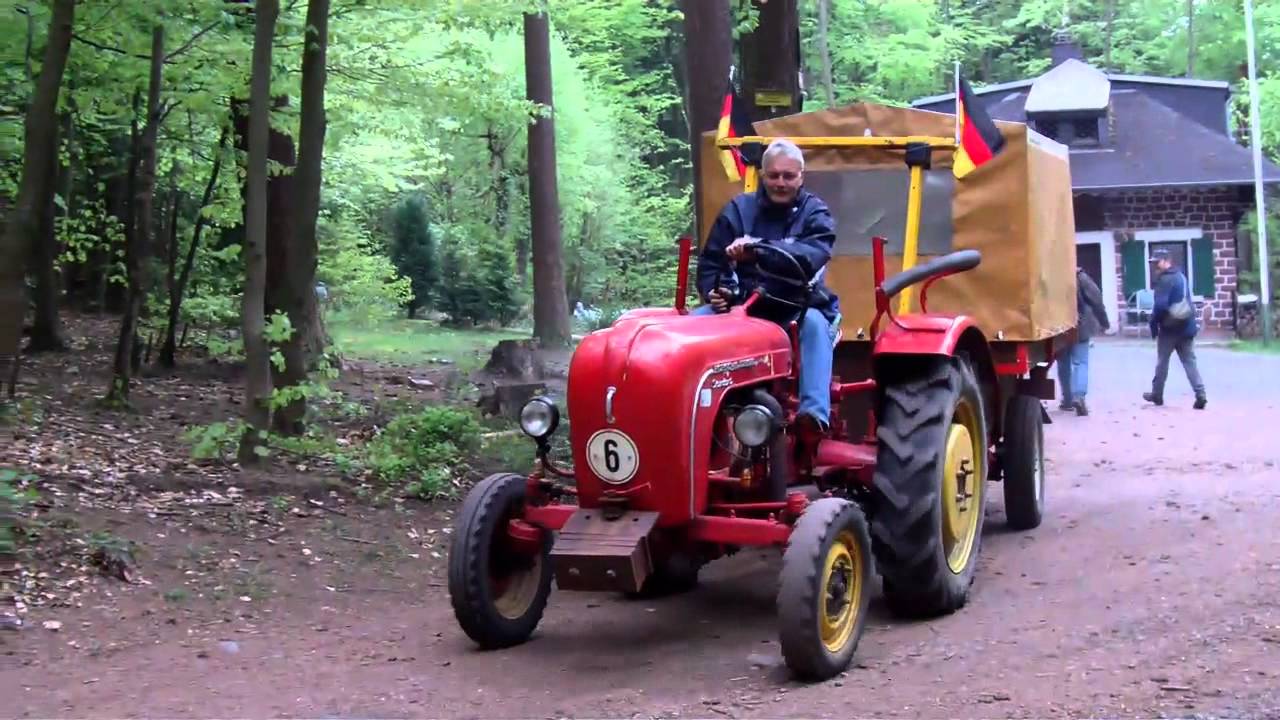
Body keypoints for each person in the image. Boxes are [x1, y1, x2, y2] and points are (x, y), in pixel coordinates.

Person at [693, 138, 841, 436]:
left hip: (798, 307)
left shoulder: (815, 214)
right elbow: (710, 263)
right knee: (693, 325)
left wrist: (757, 250)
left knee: (813, 325)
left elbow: (811, 256)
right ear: (763, 175)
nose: (781, 183)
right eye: (774, 175)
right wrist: (714, 291)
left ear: (801, 177)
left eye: (789, 176)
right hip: (743, 308)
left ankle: (813, 417)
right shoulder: (737, 211)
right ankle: (691, 412)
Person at [1143, 248, 1207, 409]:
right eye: (1153, 263)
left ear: (1166, 261)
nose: (1155, 266)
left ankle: (1157, 394)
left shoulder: (1165, 280)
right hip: (1186, 326)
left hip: (1169, 329)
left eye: (1157, 262)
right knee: (1189, 362)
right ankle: (1200, 393)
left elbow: (1160, 306)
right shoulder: (1181, 277)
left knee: (1162, 362)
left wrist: (1153, 323)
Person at [1057, 267, 1110, 416]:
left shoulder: (1052, 275)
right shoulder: (1080, 277)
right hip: (1081, 326)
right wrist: (1104, 322)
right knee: (1080, 362)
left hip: (1059, 326)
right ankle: (1079, 396)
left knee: (1063, 363)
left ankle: (1067, 399)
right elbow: (1097, 300)